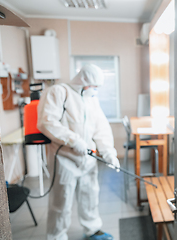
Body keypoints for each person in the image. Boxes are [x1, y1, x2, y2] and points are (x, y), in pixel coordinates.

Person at [37, 64, 120, 240]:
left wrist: (109, 153)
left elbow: (101, 128)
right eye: (93, 86)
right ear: (83, 80)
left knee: (90, 196)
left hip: (87, 158)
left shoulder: (91, 99)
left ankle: (92, 229)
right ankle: (57, 236)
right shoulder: (59, 92)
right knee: (62, 201)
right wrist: (74, 140)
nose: (95, 90)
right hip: (64, 158)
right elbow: (47, 122)